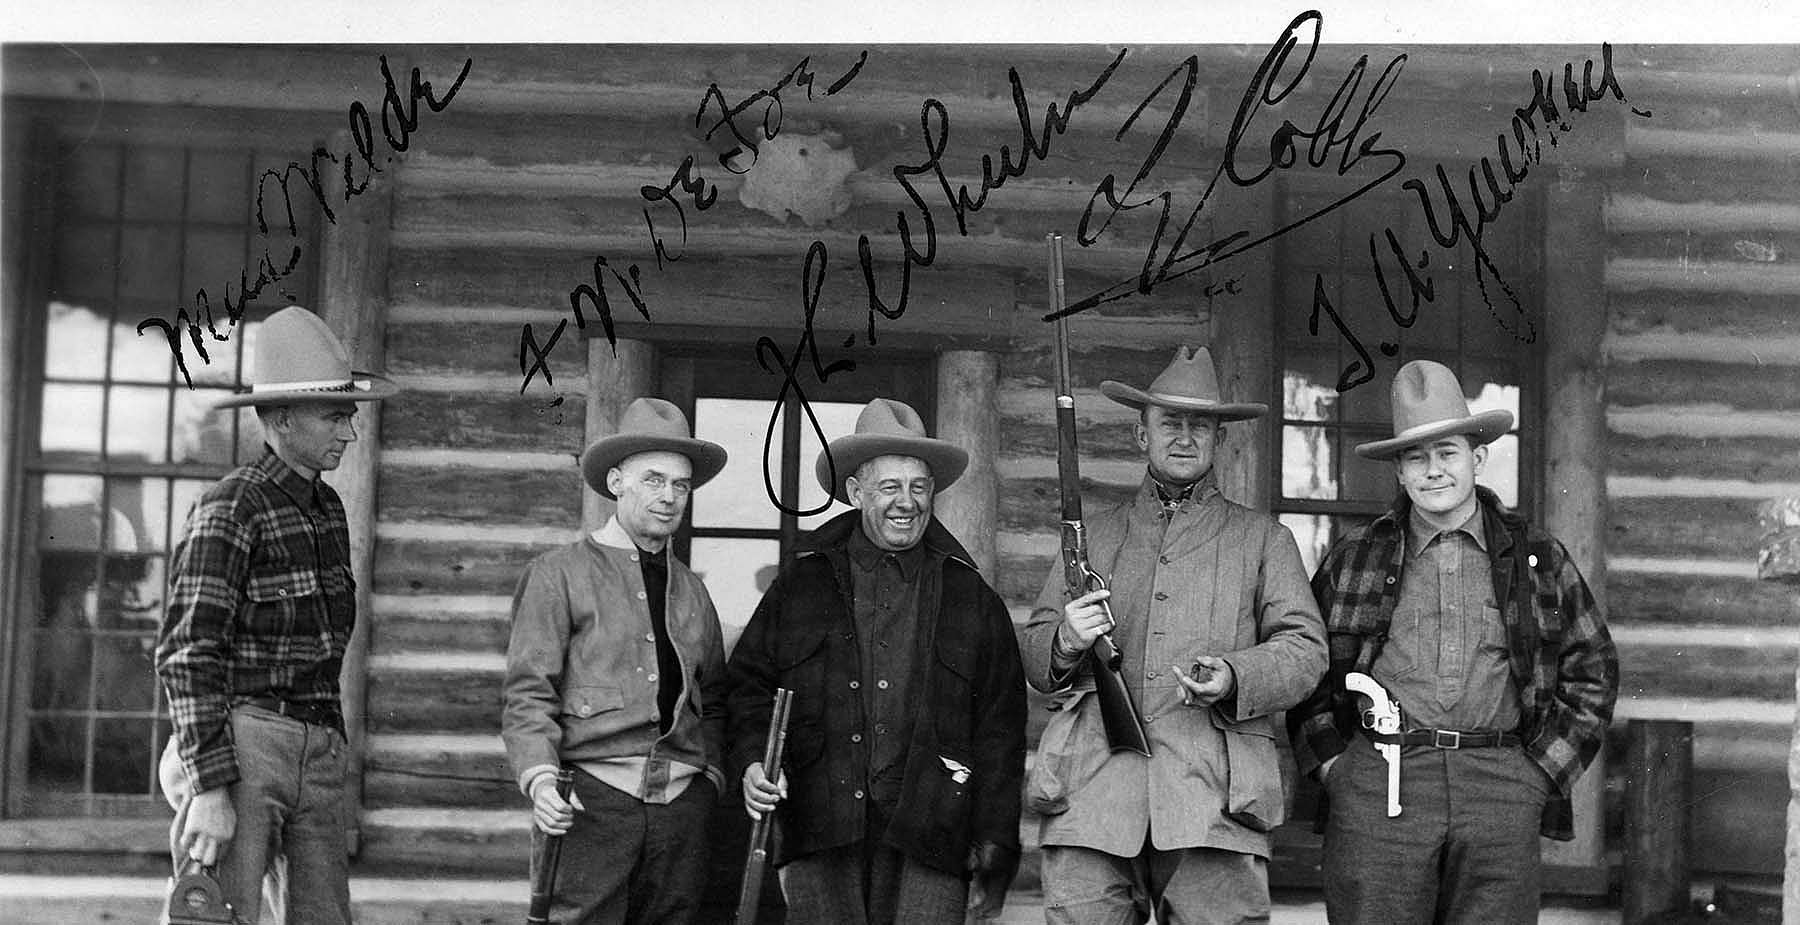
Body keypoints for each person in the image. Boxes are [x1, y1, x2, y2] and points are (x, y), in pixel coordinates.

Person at [1287, 359, 1618, 924]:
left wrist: (1538, 775)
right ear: (1398, 471)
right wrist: (1337, 770)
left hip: (1501, 782)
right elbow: (1304, 669)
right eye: (1416, 457)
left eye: (1447, 454)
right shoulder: (1355, 557)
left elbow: (1594, 672)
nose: (1433, 471)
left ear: (1478, 459)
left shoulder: (1538, 557)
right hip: (1380, 783)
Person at [1019, 346, 1327, 925]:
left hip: (1214, 801)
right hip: (1093, 798)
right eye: (1170, 423)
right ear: (1142, 435)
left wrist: (1237, 674)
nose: (1184, 437)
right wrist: (1066, 638)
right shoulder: (1094, 537)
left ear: (1219, 439)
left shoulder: (1263, 540)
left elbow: (1306, 651)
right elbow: (1037, 655)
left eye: (1199, 425)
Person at [729, 398, 1026, 925]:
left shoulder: (971, 597)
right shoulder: (802, 584)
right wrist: (754, 761)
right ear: (854, 492)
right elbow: (750, 686)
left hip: (935, 831)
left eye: (919, 487)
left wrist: (995, 846)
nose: (905, 503)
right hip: (821, 826)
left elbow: (1000, 731)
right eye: (890, 487)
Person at [154, 305, 400, 924]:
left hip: (317, 749)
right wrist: (210, 786)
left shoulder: (327, 510)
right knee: (218, 916)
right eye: (334, 415)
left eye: (349, 415)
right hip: (243, 746)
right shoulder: (233, 505)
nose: (348, 432)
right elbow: (188, 650)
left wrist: (330, 749)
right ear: (282, 419)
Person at [501, 397, 731, 925]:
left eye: (680, 485)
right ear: (616, 482)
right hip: (590, 803)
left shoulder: (693, 592)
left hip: (680, 810)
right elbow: (528, 693)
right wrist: (540, 781)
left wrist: (709, 778)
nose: (669, 497)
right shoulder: (557, 574)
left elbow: (714, 700)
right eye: (653, 480)